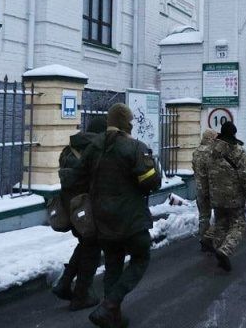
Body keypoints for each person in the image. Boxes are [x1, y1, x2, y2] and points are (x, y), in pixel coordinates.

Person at [79, 103, 162, 328]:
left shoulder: (93, 147)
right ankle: (110, 304)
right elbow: (151, 182)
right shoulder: (134, 147)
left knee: (113, 263)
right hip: (131, 219)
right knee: (141, 257)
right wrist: (154, 167)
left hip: (102, 218)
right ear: (126, 123)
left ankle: (112, 316)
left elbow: (80, 177)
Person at [52, 117, 106, 311]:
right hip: (88, 207)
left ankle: (64, 284)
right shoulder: (95, 150)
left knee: (85, 245)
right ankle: (81, 295)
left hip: (71, 207)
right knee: (92, 248)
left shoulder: (69, 149)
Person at [207, 121, 246, 272]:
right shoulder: (238, 152)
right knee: (239, 224)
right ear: (234, 134)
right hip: (234, 197)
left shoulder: (210, 150)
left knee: (221, 224)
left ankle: (219, 250)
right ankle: (225, 250)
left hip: (216, 196)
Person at [192, 128, 218, 252]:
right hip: (212, 188)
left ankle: (203, 240)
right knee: (220, 215)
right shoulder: (212, 152)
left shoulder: (196, 152)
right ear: (211, 138)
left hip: (199, 189)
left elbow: (194, 168)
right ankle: (211, 239)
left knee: (203, 216)